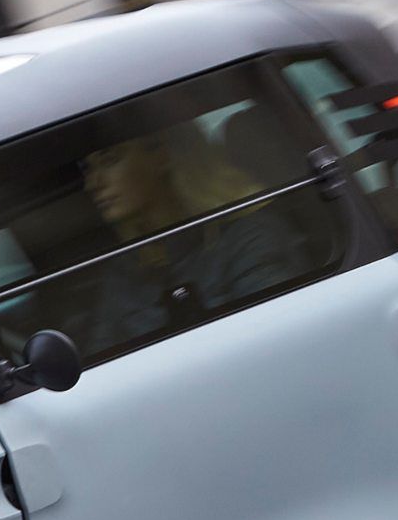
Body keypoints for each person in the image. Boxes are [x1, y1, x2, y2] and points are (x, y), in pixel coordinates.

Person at [80, 121, 302, 353]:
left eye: (109, 161)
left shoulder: (247, 235)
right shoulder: (122, 272)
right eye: (88, 169)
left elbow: (274, 338)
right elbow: (103, 359)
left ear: (161, 155)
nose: (93, 183)